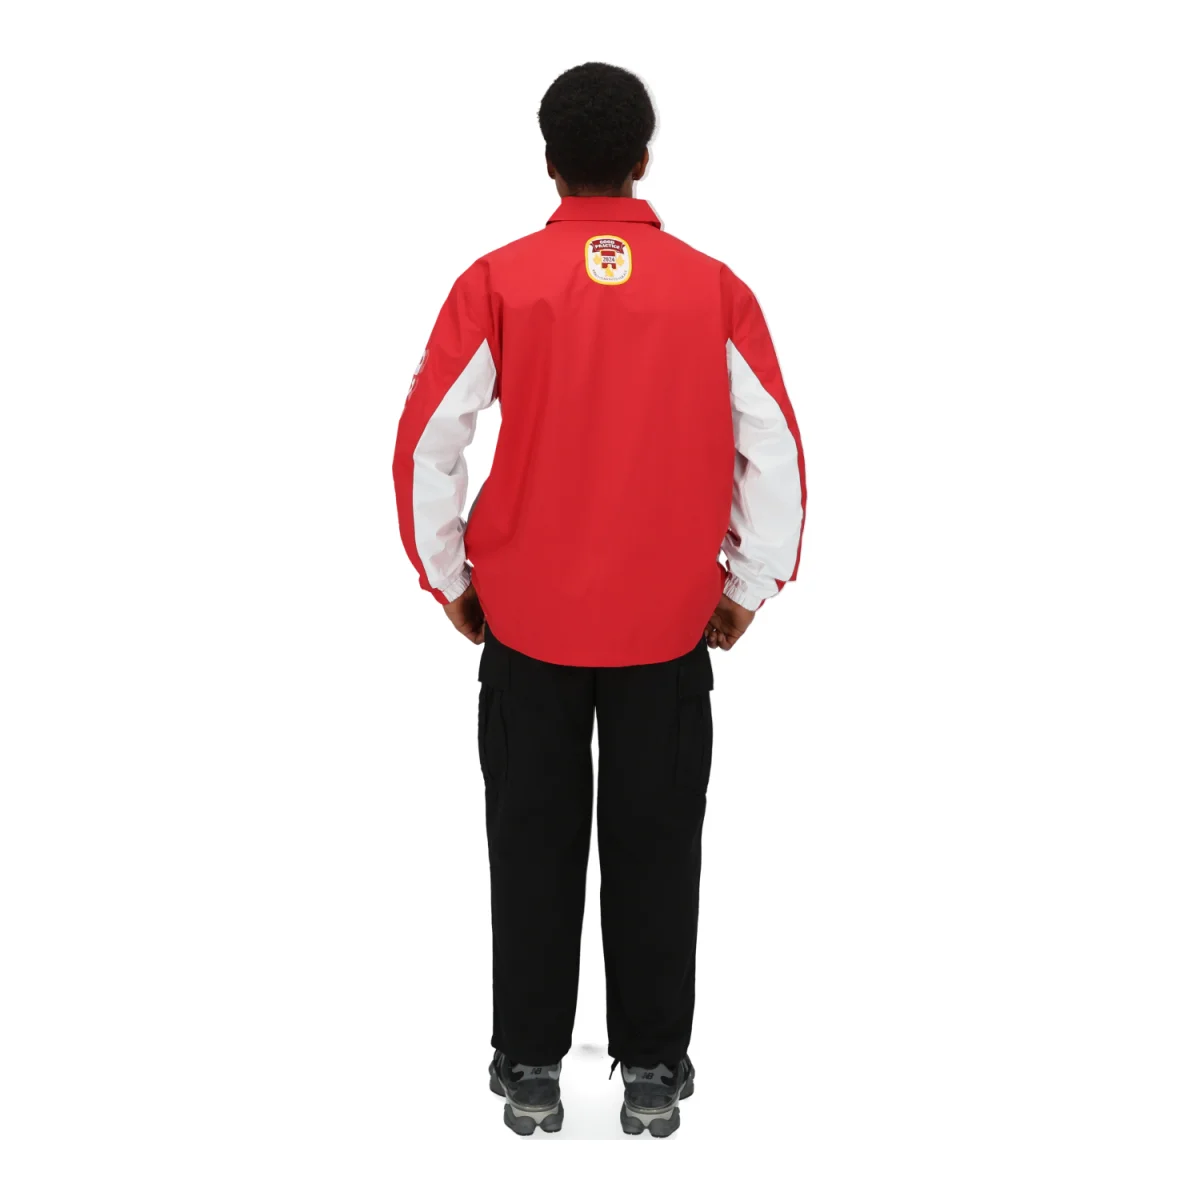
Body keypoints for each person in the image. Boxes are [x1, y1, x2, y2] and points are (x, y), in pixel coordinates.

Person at [392, 62, 806, 1137]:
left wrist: (450, 578)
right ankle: (654, 1067)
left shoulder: (499, 280)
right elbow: (773, 445)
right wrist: (749, 585)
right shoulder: (713, 289)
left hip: (527, 621)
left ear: (549, 162)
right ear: (644, 159)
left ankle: (530, 1063)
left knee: (529, 836)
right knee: (659, 839)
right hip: (666, 624)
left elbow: (429, 439)